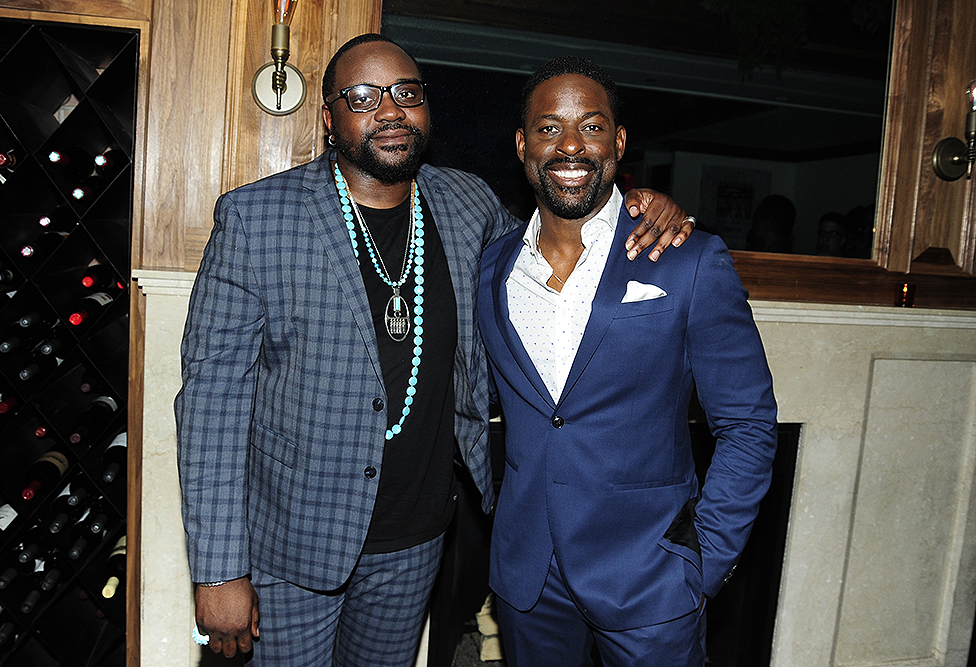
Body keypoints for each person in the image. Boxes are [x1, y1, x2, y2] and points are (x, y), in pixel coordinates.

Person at [175, 35, 695, 666]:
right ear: (328, 118)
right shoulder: (256, 219)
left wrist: (638, 205)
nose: (390, 111)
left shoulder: (466, 203)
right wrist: (219, 569)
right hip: (293, 546)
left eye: (407, 94)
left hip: (418, 539)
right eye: (363, 97)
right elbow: (211, 403)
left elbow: (558, 241)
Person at [477, 57, 778, 666]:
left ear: (618, 142)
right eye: (548, 128)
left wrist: (704, 560)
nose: (569, 145)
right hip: (528, 578)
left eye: (590, 127)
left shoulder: (688, 261)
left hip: (651, 578)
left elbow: (748, 425)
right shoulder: (492, 267)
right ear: (521, 144)